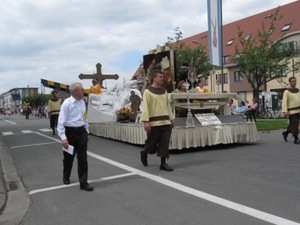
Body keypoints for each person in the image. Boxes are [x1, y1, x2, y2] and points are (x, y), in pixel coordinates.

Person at [57, 82, 93, 191]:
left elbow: (85, 118)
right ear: (74, 91)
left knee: (83, 158)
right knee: (69, 158)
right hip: (70, 132)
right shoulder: (66, 104)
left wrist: (87, 132)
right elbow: (60, 122)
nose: (83, 91)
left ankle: (84, 183)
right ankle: (66, 176)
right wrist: (63, 138)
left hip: (81, 131)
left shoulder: (82, 102)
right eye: (81, 89)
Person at [140, 70, 175, 171]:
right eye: (160, 77)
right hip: (154, 123)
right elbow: (145, 107)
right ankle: (145, 152)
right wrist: (146, 121)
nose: (162, 78)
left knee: (165, 143)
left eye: (162, 77)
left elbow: (168, 106)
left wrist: (171, 118)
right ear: (154, 78)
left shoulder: (164, 91)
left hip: (166, 122)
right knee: (151, 144)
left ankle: (163, 164)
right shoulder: (147, 92)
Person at [281, 77, 300, 144]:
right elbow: (284, 102)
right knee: (295, 125)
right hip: (291, 112)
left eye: (295, 81)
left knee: (292, 125)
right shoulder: (287, 92)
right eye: (293, 81)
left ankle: (285, 133)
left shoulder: (298, 91)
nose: (294, 82)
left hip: (298, 110)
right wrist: (285, 111)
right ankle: (296, 138)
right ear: (290, 82)